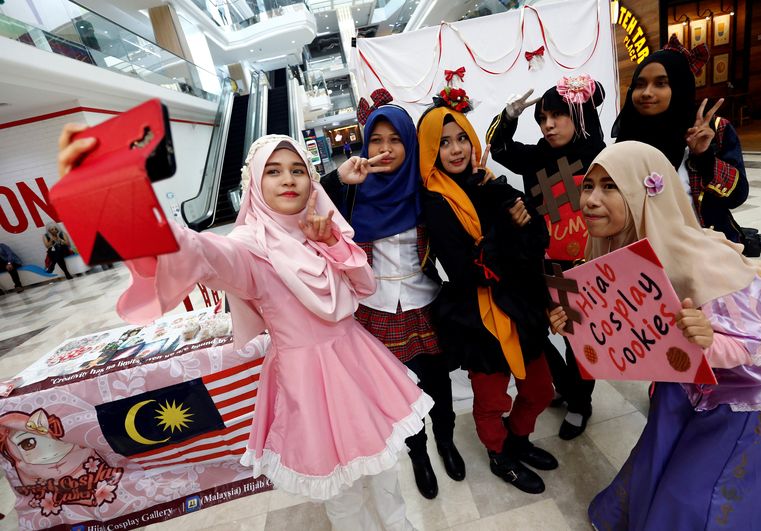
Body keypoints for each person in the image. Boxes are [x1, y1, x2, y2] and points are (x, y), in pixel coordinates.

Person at [58, 125, 432, 531]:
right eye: (272, 171)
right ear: (254, 182)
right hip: (308, 379)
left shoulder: (322, 227)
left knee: (384, 472)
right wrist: (119, 203)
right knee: (340, 492)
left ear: (311, 178)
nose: (288, 179)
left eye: (297, 169)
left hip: (357, 361)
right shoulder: (249, 248)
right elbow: (198, 250)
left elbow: (364, 286)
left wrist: (332, 244)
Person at [549, 141, 761, 530]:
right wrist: (574, 329)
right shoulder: (613, 252)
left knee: (701, 498)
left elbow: (757, 345)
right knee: (660, 445)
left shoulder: (698, 261)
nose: (591, 200)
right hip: (697, 370)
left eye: (610, 186)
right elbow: (619, 347)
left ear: (641, 193)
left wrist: (705, 341)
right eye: (588, 186)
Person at [321, 101, 463, 500]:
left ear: (410, 145)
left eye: (395, 140)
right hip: (375, 312)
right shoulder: (350, 196)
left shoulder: (426, 189)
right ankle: (417, 454)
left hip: (426, 305)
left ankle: (446, 441)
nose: (384, 149)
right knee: (399, 391)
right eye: (376, 141)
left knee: (438, 384)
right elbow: (306, 208)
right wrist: (340, 178)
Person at [417, 100, 558, 494]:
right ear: (431, 150)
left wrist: (522, 225)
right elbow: (468, 270)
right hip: (479, 317)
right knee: (491, 399)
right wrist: (511, 233)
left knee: (540, 389)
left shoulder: (489, 181)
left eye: (462, 137)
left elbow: (535, 234)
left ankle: (518, 440)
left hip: (520, 305)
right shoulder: (434, 201)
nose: (457, 149)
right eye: (444, 143)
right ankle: (499, 456)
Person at [487, 74, 606, 440]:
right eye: (542, 118)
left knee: (580, 340)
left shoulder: (601, 156)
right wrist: (509, 116)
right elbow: (499, 149)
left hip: (590, 264)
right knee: (542, 335)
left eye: (558, 115)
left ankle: (580, 403)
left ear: (579, 114)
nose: (549, 125)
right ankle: (570, 390)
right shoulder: (536, 156)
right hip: (546, 266)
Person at [614, 35, 748, 244]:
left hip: (705, 250)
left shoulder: (712, 130)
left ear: (679, 87)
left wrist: (704, 157)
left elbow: (737, 196)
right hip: (646, 255)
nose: (647, 93)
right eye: (640, 84)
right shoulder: (627, 137)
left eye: (661, 83)